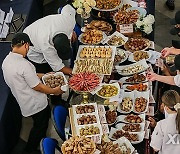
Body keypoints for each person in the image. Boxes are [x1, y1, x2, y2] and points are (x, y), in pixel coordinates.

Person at [2, 33, 64, 153]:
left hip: (23, 100)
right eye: (29, 47)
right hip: (35, 102)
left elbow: (28, 76)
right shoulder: (24, 64)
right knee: (40, 126)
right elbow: (38, 87)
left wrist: (44, 75)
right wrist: (54, 91)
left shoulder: (7, 61)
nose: (28, 50)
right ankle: (30, 149)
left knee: (37, 124)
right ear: (25, 45)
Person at [23, 4, 76, 75]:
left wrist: (71, 30)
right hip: (33, 46)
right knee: (48, 71)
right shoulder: (46, 46)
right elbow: (59, 68)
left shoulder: (68, 21)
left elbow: (68, 7)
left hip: (44, 27)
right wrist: (77, 74)